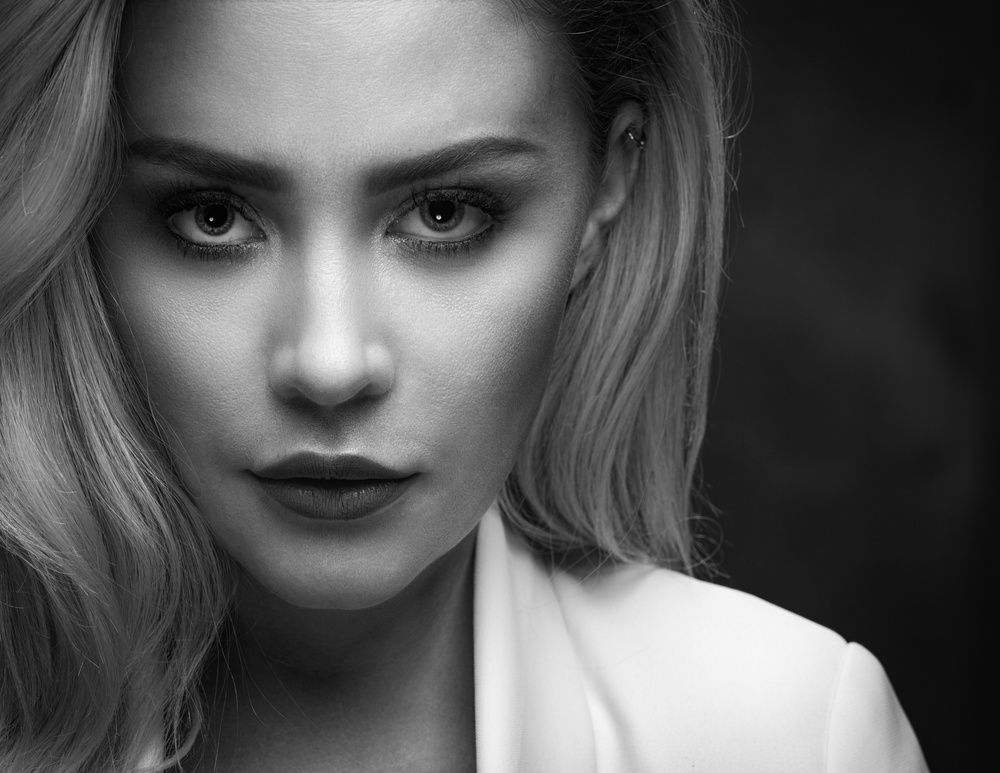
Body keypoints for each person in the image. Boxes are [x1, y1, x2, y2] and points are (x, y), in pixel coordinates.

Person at [0, 0, 929, 771]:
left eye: (444, 213)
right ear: (72, 209)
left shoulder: (791, 734)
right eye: (212, 217)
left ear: (607, 189)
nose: (330, 364)